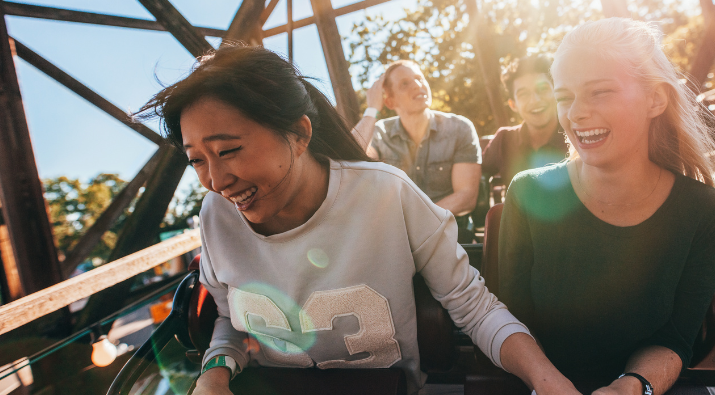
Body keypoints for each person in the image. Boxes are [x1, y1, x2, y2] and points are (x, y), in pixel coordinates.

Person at [134, 46, 581, 395]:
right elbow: (230, 320)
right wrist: (215, 374)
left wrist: (547, 380)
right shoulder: (216, 216)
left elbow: (474, 307)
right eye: (197, 160)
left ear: (300, 134)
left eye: (228, 150)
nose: (216, 180)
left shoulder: (387, 193)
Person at [498, 18, 715, 394]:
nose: (576, 113)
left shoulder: (705, 211)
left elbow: (677, 336)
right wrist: (548, 383)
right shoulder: (528, 192)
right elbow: (511, 321)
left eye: (599, 92)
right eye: (564, 97)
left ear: (656, 99)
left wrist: (631, 387)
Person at [352, 60, 482, 243]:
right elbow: (348, 159)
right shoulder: (379, 133)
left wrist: (416, 223)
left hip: (450, 233)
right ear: (389, 101)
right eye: (405, 84)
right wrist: (371, 110)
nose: (417, 85)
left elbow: (466, 196)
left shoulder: (459, 128)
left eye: (419, 78)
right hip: (397, 239)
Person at [482, 55, 568, 188]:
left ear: (556, 93)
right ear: (513, 105)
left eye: (543, 89)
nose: (535, 100)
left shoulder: (576, 135)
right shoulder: (504, 139)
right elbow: (476, 175)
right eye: (524, 94)